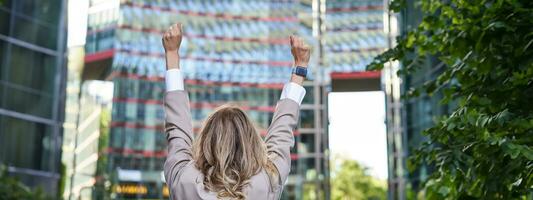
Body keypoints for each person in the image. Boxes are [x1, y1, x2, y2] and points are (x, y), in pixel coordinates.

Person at [162, 23, 310, 200]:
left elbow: (177, 129)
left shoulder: (183, 181)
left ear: (207, 142)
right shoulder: (267, 182)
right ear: (250, 143)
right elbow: (282, 130)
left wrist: (172, 54)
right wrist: (300, 68)